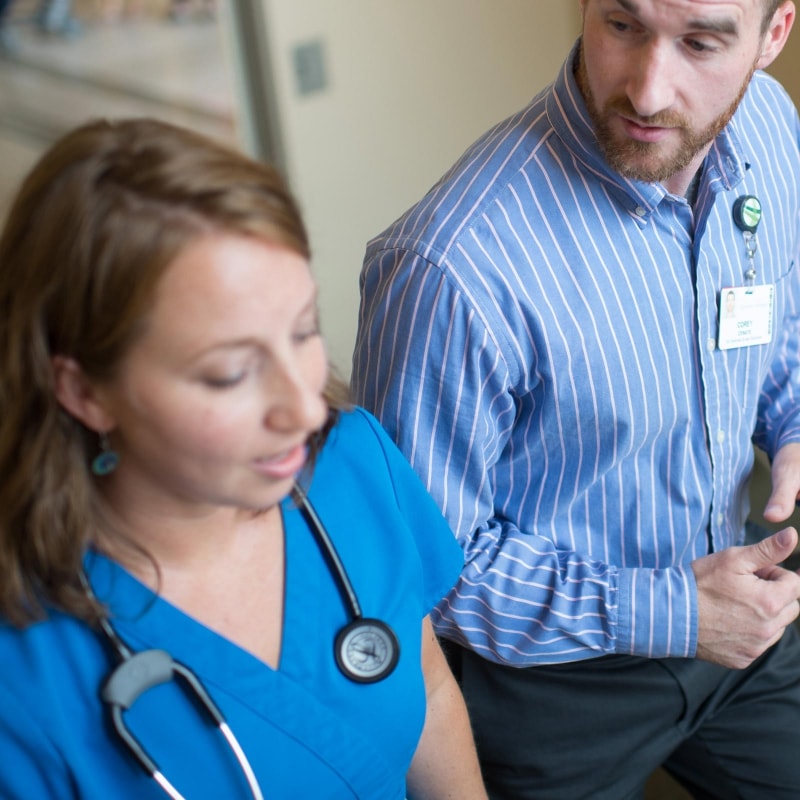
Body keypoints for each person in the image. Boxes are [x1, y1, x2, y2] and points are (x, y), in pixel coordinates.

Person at [352, 1, 800, 797]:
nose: (648, 90)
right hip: (544, 694)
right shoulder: (450, 267)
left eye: (700, 42)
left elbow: (780, 308)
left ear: (774, 36)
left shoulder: (769, 122)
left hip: (740, 624)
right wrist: (672, 612)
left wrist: (792, 415)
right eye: (622, 25)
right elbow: (422, 571)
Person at [0, 117, 487, 799]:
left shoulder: (353, 466)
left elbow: (429, 692)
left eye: (303, 331)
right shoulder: (25, 680)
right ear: (85, 392)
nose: (306, 410)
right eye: (230, 373)